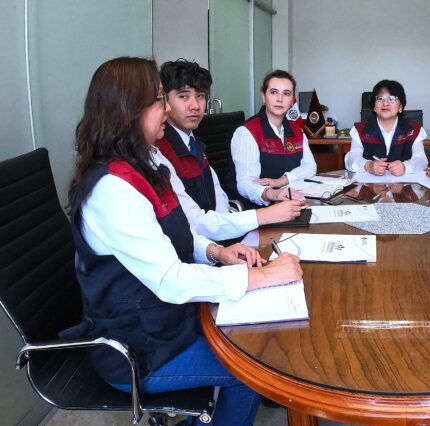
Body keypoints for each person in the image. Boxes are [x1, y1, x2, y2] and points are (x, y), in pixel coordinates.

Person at [65, 57, 303, 426]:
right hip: (140, 348)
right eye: (159, 99)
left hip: (169, 323)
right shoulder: (113, 188)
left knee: (256, 337)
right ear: (129, 109)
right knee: (254, 368)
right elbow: (171, 280)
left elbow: (179, 230)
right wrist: (263, 276)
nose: (167, 109)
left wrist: (217, 251)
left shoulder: (147, 161)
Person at [155, 59, 303, 241]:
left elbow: (219, 196)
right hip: (195, 245)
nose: (195, 105)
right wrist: (264, 214)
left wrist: (226, 235)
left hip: (218, 236)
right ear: (165, 101)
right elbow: (192, 222)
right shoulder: (160, 151)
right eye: (183, 97)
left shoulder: (193, 142)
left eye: (200, 96)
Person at [231, 70, 316, 207]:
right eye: (274, 92)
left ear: (292, 100)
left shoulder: (297, 130)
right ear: (263, 96)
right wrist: (272, 193)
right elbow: (245, 182)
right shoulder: (247, 132)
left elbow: (310, 166)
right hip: (260, 209)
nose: (280, 99)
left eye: (286, 94)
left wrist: (282, 180)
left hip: (293, 201)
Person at [344, 79, 427, 176]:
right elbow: (351, 158)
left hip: (404, 183)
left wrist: (405, 167)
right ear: (374, 106)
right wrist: (368, 165)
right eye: (380, 98)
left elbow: (421, 160)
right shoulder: (360, 129)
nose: (385, 103)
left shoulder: (414, 130)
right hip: (370, 184)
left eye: (392, 98)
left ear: (400, 107)